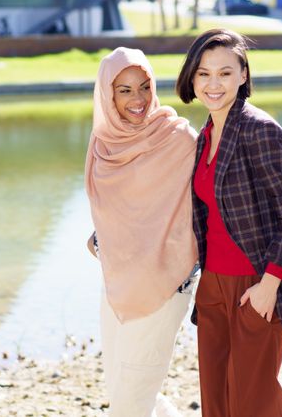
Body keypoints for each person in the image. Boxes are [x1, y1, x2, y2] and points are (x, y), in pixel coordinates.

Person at [175, 28, 282, 416]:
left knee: (254, 403)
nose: (213, 84)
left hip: (257, 285)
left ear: (243, 75)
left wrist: (269, 284)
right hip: (213, 290)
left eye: (224, 72)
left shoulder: (260, 130)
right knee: (217, 405)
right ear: (191, 78)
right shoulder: (204, 136)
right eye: (203, 74)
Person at [84, 47, 198, 417]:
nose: (138, 99)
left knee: (129, 406)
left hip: (164, 286)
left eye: (144, 86)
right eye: (125, 90)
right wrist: (101, 236)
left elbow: (205, 204)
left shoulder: (178, 138)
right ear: (107, 94)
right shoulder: (103, 143)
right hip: (117, 284)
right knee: (124, 392)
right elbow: (123, 208)